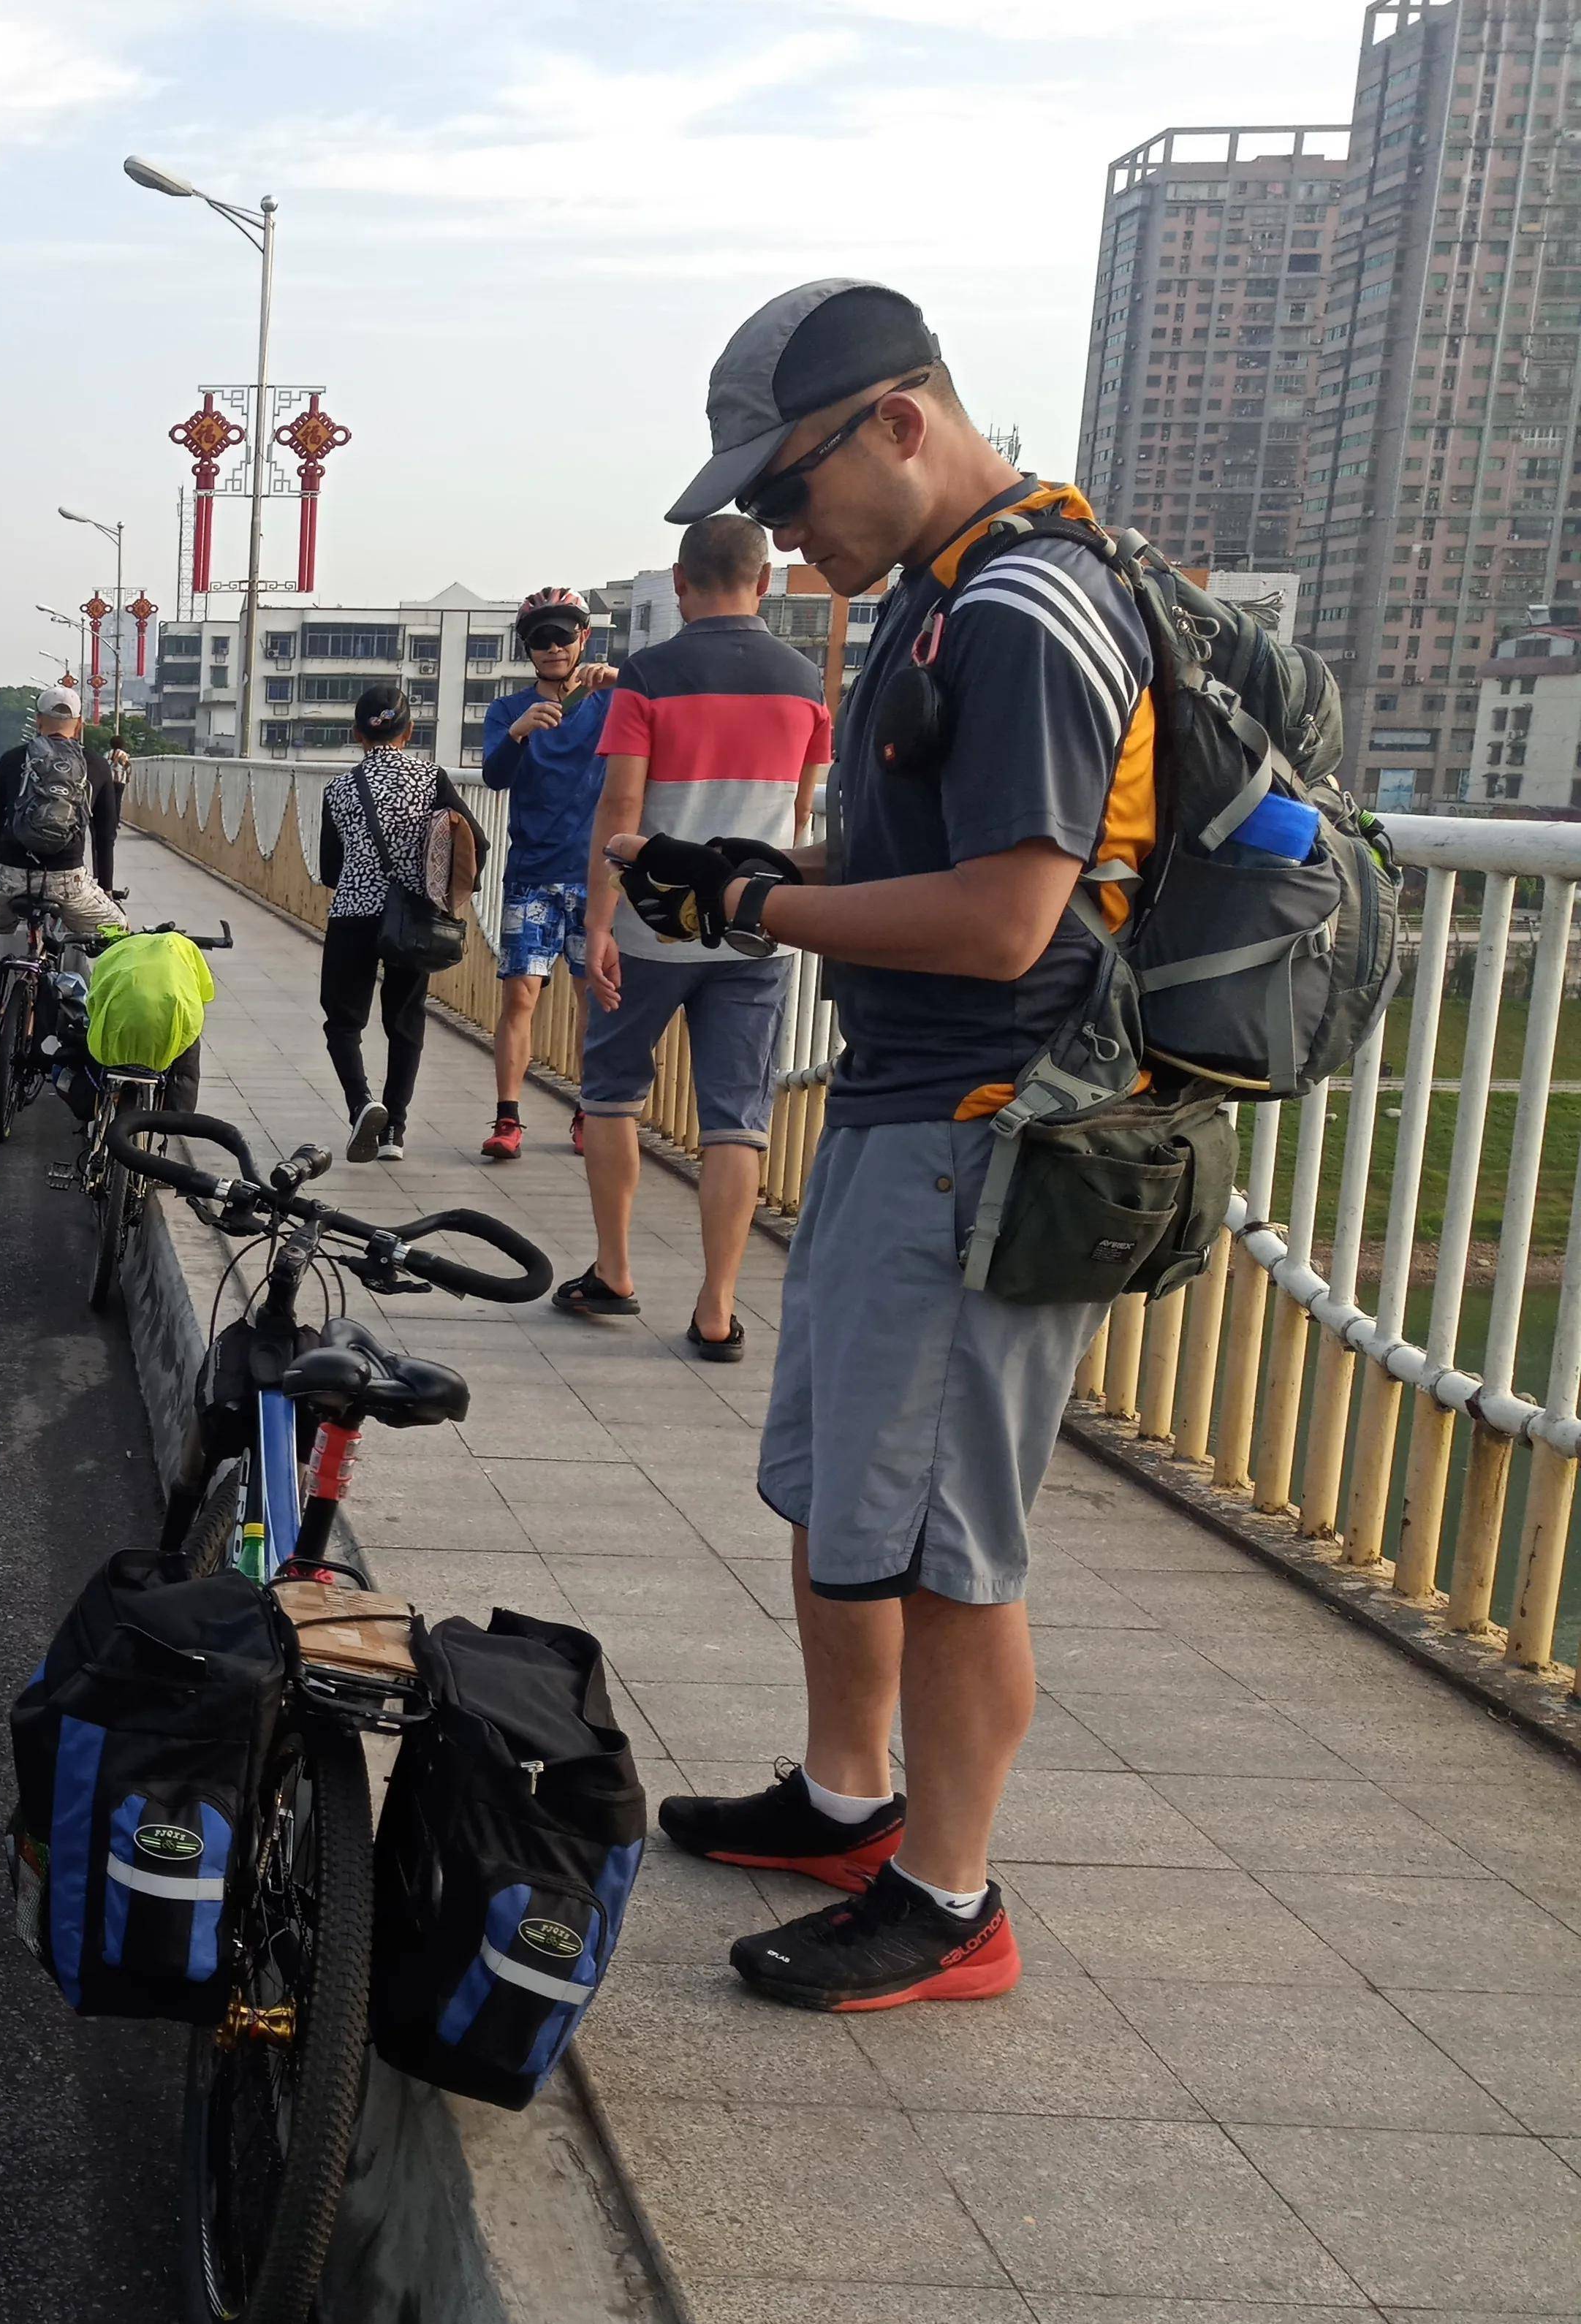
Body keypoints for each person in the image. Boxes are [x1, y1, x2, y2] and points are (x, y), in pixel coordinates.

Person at [624, 280, 1156, 2013]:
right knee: (837, 1492)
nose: (774, 536)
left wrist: (763, 903)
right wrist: (764, 897)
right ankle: (850, 1800)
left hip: (989, 1129)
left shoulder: (1024, 611)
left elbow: (1014, 920)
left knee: (941, 1540)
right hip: (894, 1108)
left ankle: (948, 1896)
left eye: (785, 494)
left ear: (899, 423)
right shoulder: (935, 597)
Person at [560, 514, 828, 1355]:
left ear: (680, 583)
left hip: (649, 927)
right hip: (757, 929)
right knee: (735, 1118)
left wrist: (599, 921)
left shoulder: (649, 674)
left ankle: (614, 1272)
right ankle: (717, 1309)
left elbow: (622, 808)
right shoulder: (805, 684)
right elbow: (800, 814)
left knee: (610, 1091)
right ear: (765, 580)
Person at [477, 588, 618, 1161]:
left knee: (596, 1000)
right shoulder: (509, 711)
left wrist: (624, 683)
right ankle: (508, 1120)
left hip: (598, 877)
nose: (554, 646)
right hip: (532, 873)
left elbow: (672, 722)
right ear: (527, 649)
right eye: (541, 638)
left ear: (584, 637)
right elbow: (494, 778)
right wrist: (519, 734)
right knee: (520, 998)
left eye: (564, 634)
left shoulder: (611, 701)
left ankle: (588, 1112)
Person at [313, 683, 441, 1161]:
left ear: (357, 734)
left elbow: (330, 870)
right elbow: (473, 845)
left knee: (343, 1022)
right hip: (413, 916)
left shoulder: (341, 788)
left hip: (353, 915)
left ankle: (362, 1103)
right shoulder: (434, 779)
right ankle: (395, 1134)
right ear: (409, 732)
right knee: (404, 1022)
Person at [0, 686, 126, 953]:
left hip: (10, 872)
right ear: (79, 725)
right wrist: (107, 888)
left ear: (38, 720)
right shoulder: (97, 765)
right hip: (67, 878)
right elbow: (105, 837)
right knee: (119, 929)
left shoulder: (11, 760)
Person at [90, 737, 132, 903]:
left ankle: (111, 819)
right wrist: (127, 778)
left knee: (108, 805)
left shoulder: (106, 755)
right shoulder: (124, 755)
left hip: (106, 782)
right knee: (117, 803)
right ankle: (115, 821)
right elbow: (128, 768)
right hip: (119, 782)